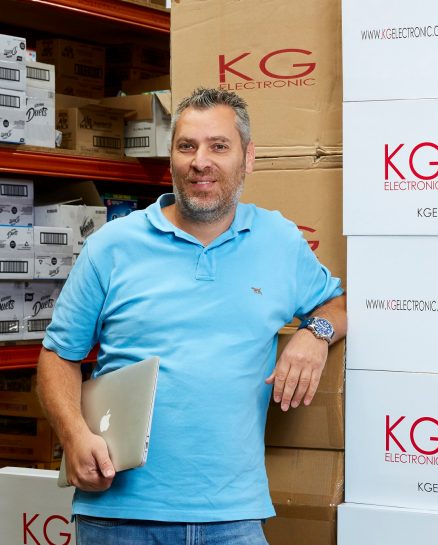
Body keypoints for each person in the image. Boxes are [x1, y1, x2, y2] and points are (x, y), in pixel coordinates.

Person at [36, 87, 346, 544]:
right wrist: (74, 433)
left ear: (248, 158)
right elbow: (56, 357)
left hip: (232, 516)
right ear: (172, 159)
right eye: (187, 146)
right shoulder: (112, 245)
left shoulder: (279, 241)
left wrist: (314, 333)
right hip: (118, 513)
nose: (201, 161)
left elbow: (339, 305)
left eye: (219, 146)